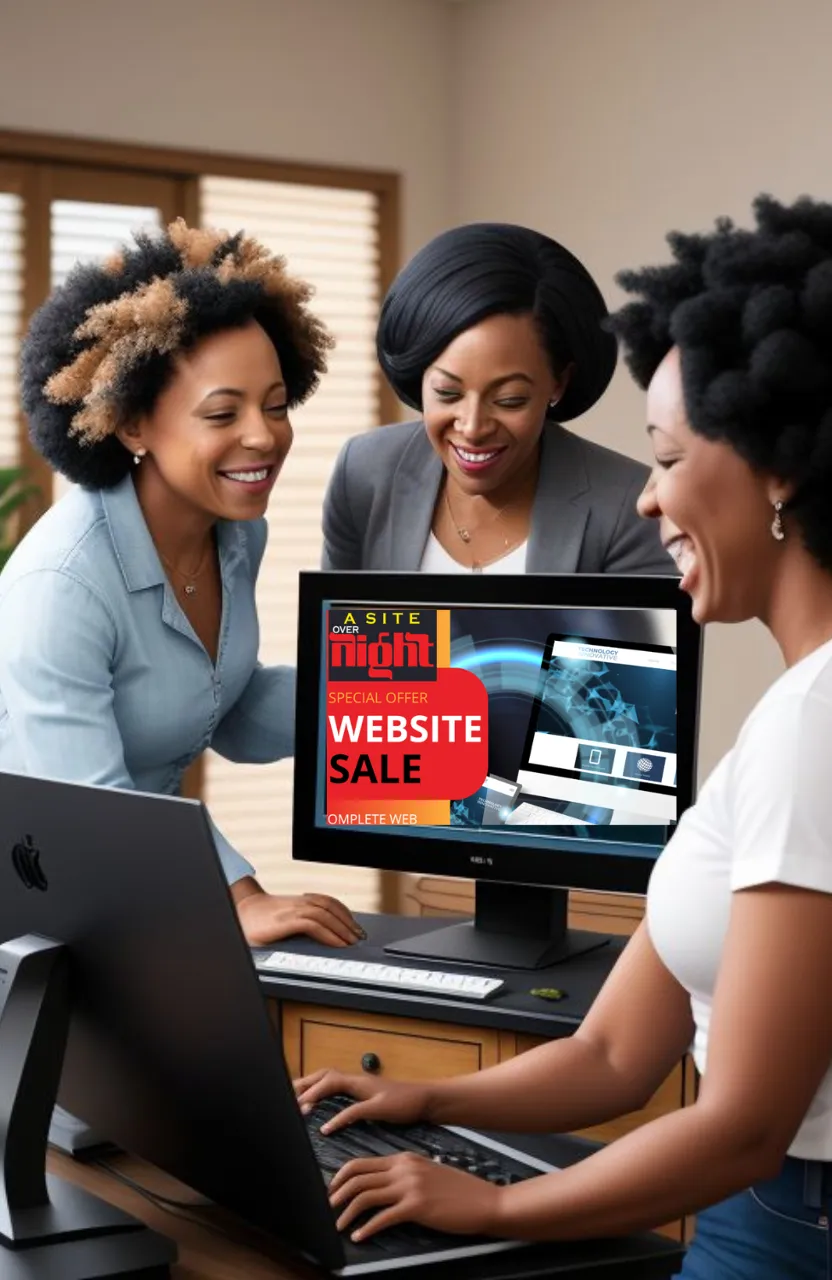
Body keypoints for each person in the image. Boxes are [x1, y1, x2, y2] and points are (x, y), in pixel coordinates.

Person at [296, 193, 832, 1278]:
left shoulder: (814, 723)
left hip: (793, 1221)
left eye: (669, 459)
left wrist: (485, 1203)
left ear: (777, 470)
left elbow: (737, 1127)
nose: (642, 501)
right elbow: (614, 1049)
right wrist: (429, 1095)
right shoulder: (788, 714)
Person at [0, 219, 361, 949]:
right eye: (222, 413)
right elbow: (97, 808)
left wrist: (375, 701)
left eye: (276, 403)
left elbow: (223, 702)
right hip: (37, 904)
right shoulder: (62, 585)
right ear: (133, 424)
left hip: (141, 886)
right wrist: (239, 895)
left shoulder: (234, 534)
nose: (263, 436)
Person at [322, 222, 671, 576]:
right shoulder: (364, 474)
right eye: (447, 393)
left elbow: (644, 633)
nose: (473, 427)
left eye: (509, 399)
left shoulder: (633, 506)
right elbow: (335, 627)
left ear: (558, 383)